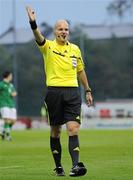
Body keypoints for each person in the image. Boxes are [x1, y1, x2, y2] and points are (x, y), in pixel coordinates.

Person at [26, 6, 93, 177]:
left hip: (72, 92)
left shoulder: (75, 49)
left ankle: (75, 166)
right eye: (60, 29)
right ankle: (58, 166)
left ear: (68, 32)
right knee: (56, 131)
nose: (64, 32)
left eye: (66, 29)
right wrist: (33, 22)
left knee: (73, 129)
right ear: (55, 31)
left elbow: (80, 71)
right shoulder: (47, 47)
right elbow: (38, 36)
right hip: (54, 93)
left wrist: (87, 90)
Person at [0, 71, 17, 141]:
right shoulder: (1, 84)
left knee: (13, 121)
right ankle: (8, 136)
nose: (11, 77)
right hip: (4, 104)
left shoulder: (11, 85)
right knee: (7, 120)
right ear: (8, 76)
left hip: (11, 104)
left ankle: (3, 131)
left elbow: (14, 92)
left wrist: (14, 94)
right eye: (11, 76)